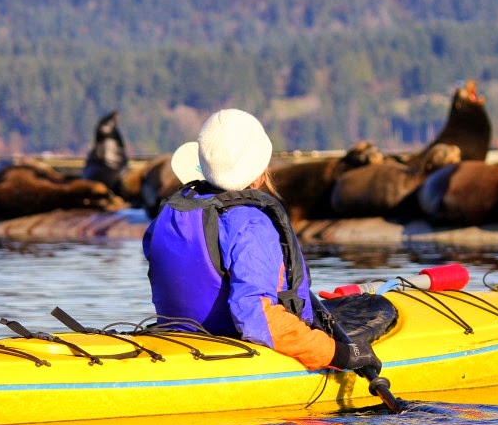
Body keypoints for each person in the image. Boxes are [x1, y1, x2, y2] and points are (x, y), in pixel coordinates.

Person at [142, 108, 381, 372]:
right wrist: (338, 354)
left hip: (175, 340)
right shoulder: (251, 223)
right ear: (260, 170)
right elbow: (257, 317)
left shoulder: (169, 214)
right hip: (233, 347)